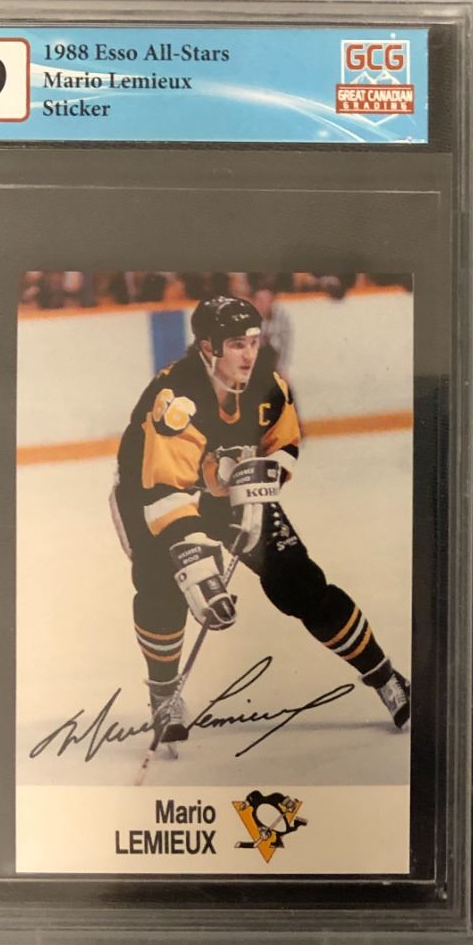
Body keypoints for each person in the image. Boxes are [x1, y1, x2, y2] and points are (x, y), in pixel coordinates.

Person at [109, 295, 409, 754]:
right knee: (163, 588)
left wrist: (264, 476)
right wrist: (197, 565)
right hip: (152, 497)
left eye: (253, 342)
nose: (250, 354)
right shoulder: (176, 400)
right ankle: (164, 697)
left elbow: (284, 444)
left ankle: (388, 678)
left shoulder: (268, 384)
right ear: (208, 347)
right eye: (236, 344)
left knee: (299, 584)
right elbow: (165, 490)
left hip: (224, 487)